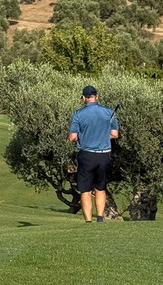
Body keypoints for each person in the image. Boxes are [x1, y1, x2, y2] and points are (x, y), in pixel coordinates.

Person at [68, 85, 119, 223]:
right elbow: (114, 134)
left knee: (85, 190)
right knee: (100, 187)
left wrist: (85, 136)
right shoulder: (109, 113)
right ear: (97, 96)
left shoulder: (78, 114)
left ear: (84, 98)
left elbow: (72, 137)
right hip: (104, 155)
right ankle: (100, 218)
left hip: (87, 155)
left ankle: (89, 221)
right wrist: (102, 135)